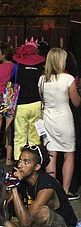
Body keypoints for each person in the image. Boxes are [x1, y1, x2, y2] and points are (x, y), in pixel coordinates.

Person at [5, 144, 78, 227]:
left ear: (37, 167)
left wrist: (14, 188)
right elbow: (4, 213)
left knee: (43, 213)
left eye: (26, 162)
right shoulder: (22, 181)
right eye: (20, 160)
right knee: (7, 223)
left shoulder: (47, 186)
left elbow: (26, 222)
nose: (20, 165)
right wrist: (11, 186)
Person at [38, 48, 81, 200]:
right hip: (64, 119)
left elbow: (42, 100)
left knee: (52, 154)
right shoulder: (68, 79)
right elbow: (76, 102)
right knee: (69, 154)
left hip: (48, 119)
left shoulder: (43, 79)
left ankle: (53, 189)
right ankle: (66, 191)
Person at [13, 39, 45, 161]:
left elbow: (13, 85)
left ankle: (19, 162)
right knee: (35, 135)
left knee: (20, 135)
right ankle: (33, 162)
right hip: (36, 104)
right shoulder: (40, 68)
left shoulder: (17, 67)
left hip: (21, 105)